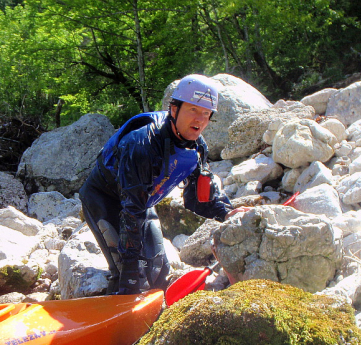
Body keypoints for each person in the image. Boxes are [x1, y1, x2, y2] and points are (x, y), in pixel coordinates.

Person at [79, 73, 248, 295]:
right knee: (132, 274)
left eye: (206, 114)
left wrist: (228, 214)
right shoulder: (142, 143)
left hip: (142, 201)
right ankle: (115, 308)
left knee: (159, 271)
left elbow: (198, 200)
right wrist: (130, 271)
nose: (199, 120)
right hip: (105, 198)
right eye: (193, 110)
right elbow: (130, 212)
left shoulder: (197, 148)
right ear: (174, 109)